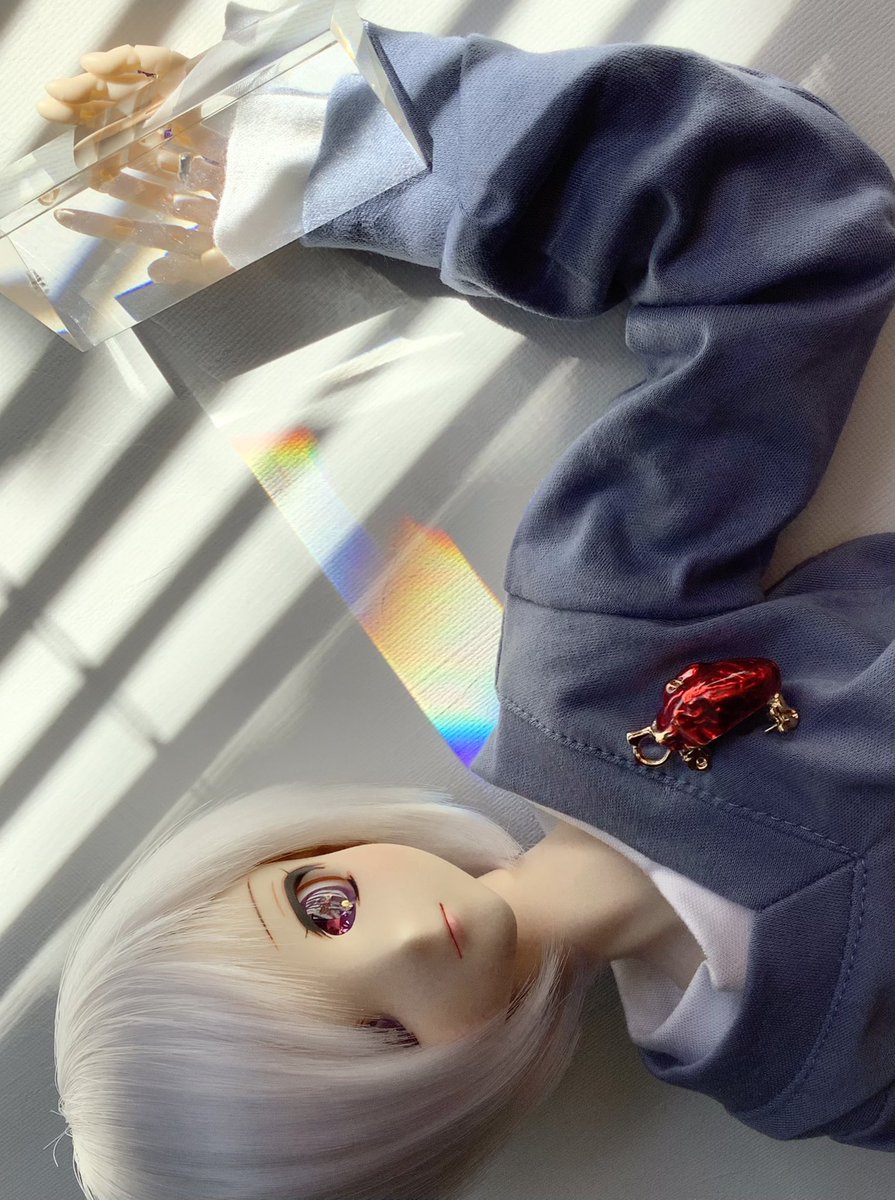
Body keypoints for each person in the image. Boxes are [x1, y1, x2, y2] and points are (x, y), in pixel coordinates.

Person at [42, 10, 895, 1200]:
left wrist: (308, 153)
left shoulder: (575, 669)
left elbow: (774, 231)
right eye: (380, 1035)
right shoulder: (806, 1081)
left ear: (309, 851)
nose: (402, 941)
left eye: (323, 910)